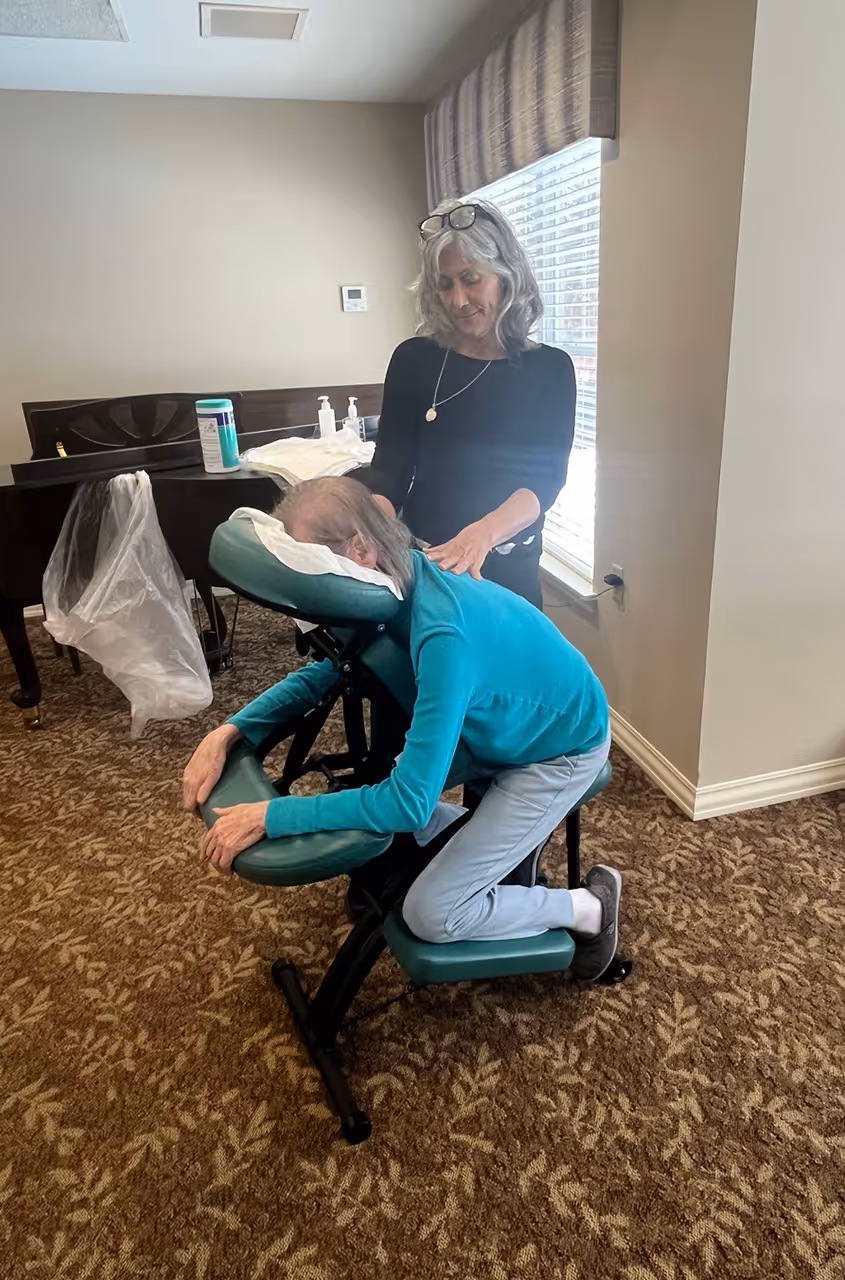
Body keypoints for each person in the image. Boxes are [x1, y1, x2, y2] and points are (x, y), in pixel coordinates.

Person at [183, 477, 622, 981]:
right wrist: (229, 731)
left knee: (431, 913)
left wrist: (274, 815)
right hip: (497, 726)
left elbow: (409, 803)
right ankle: (499, 838)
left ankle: (590, 908)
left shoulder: (442, 635)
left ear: (360, 550)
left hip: (558, 748)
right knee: (376, 799)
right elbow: (323, 672)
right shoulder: (388, 589)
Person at [360, 198, 576, 610]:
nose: (458, 300)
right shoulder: (413, 360)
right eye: (445, 285)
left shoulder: (548, 369)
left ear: (505, 276)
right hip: (428, 563)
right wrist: (370, 531)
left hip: (506, 568)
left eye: (470, 279)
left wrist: (480, 535)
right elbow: (390, 469)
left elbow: (543, 483)